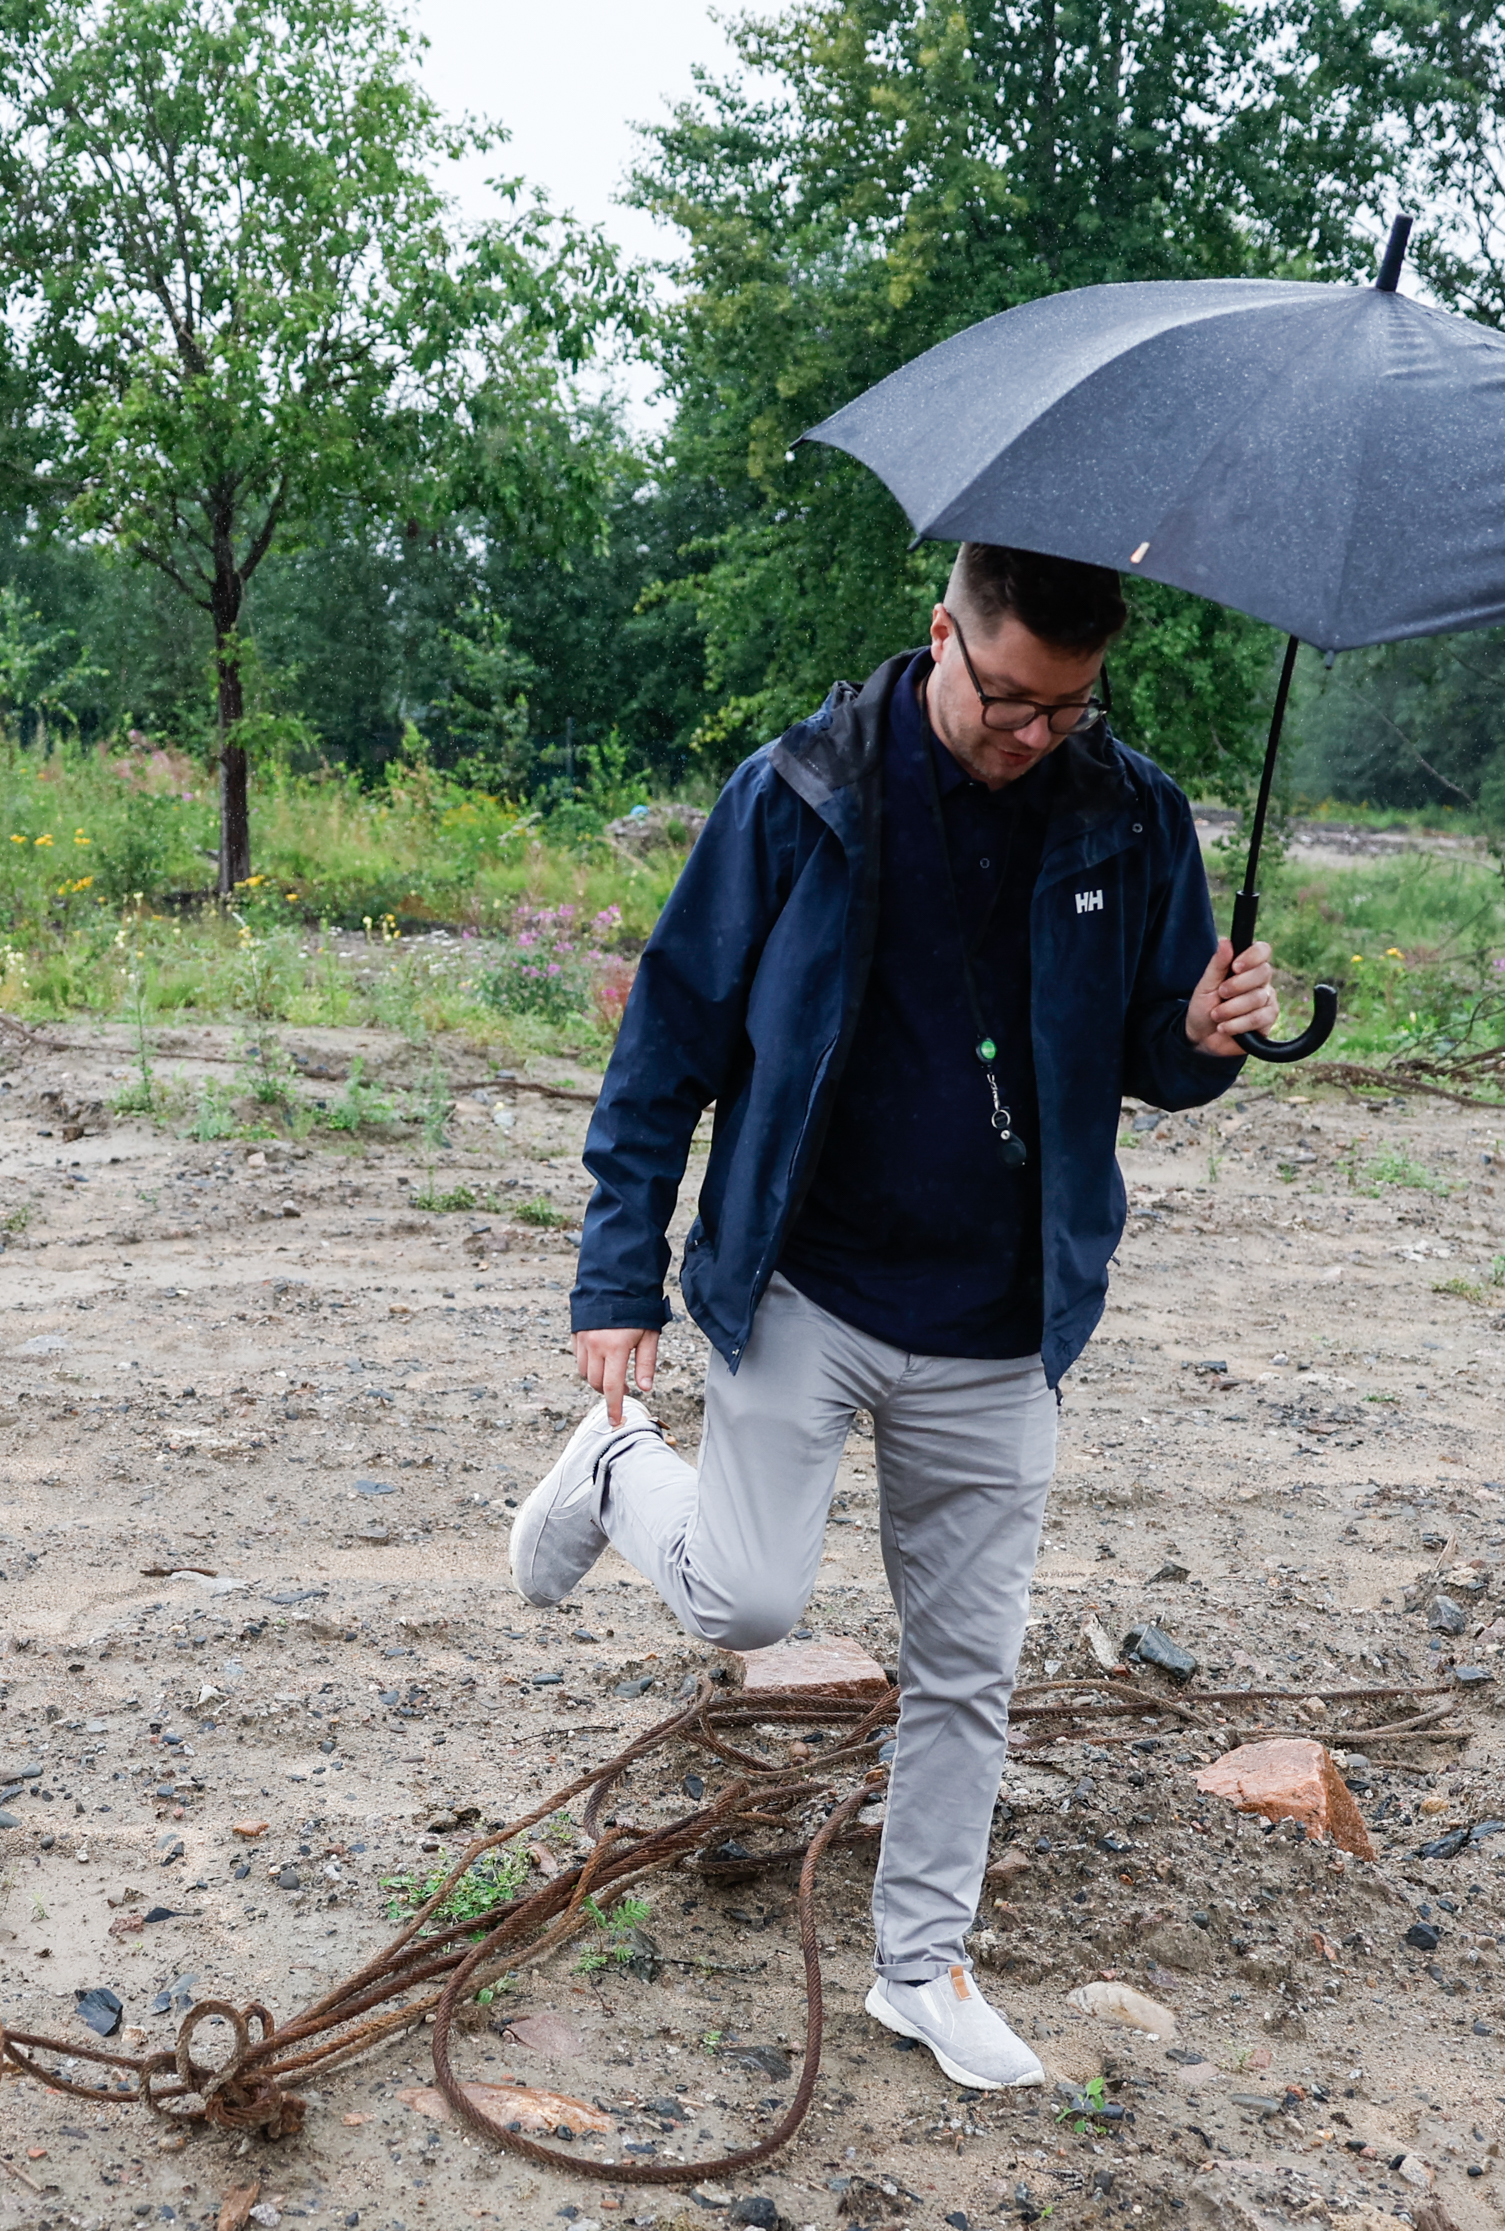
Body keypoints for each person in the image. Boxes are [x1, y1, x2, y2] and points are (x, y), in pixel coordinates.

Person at [509, 542, 1275, 2090]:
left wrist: (1201, 1036)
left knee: (966, 1669)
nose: (1032, 734)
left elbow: (1149, 1052)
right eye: (1006, 699)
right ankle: (611, 1469)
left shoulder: (1128, 817)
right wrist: (615, 1276)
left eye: (1066, 708)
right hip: (810, 1278)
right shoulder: (800, 794)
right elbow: (667, 1040)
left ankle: (918, 1967)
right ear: (941, 633)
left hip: (1002, 1321)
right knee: (742, 1604)